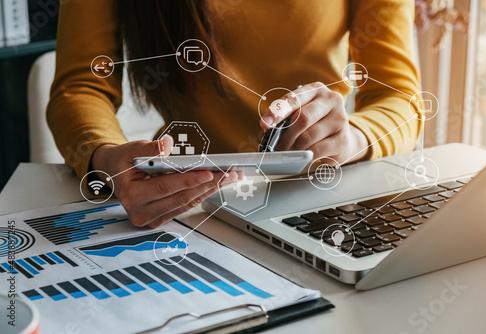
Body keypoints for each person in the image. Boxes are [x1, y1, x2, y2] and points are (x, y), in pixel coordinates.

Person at [47, 0, 422, 228]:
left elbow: (401, 97)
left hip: (320, 200)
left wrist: (355, 136)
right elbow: (81, 85)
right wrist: (105, 155)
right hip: (184, 208)